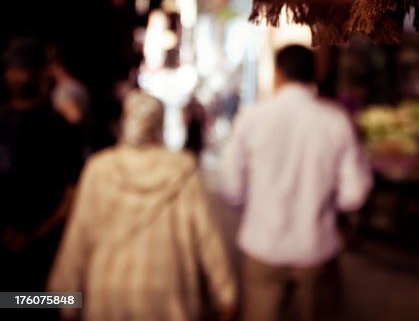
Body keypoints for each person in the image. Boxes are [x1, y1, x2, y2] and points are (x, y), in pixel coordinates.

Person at [48, 93, 237, 321]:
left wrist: (66, 298)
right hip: (168, 295)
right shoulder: (182, 169)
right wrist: (225, 294)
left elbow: (79, 236)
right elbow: (206, 236)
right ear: (159, 123)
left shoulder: (100, 168)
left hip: (107, 294)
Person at [221, 45, 373, 321]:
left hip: (262, 246)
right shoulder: (335, 120)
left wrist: (256, 209)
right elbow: (354, 195)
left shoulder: (252, 118)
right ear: (315, 75)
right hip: (316, 248)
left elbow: (231, 187)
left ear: (278, 74)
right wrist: (323, 205)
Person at [0, 38, 81, 292]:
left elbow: (72, 194)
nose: (15, 77)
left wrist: (35, 235)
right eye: (11, 68)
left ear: (38, 72)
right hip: (5, 252)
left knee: (49, 302)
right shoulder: (2, 121)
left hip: (45, 253)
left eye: (22, 68)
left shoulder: (58, 127)